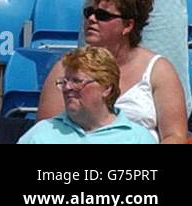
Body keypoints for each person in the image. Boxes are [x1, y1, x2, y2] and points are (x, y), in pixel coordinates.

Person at [36, 0, 188, 144]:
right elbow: (47, 131)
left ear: (128, 25)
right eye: (88, 12)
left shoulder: (158, 70)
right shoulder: (65, 68)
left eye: (102, 15)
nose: (91, 19)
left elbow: (175, 137)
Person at [19, 45, 157, 144]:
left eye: (77, 81)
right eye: (64, 81)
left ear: (106, 88)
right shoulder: (40, 135)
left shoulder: (137, 138)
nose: (67, 88)